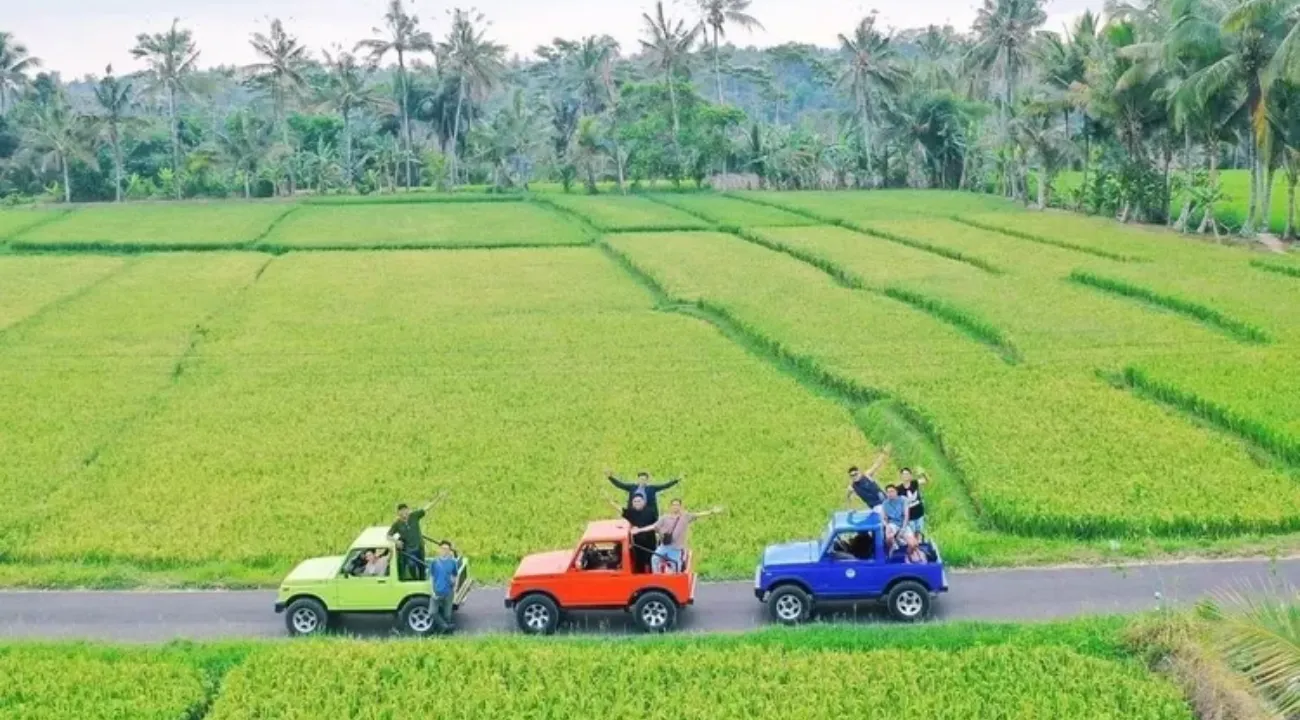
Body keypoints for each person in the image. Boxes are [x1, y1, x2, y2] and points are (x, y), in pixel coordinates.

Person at [633, 499, 723, 574]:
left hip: (676, 548)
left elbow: (698, 514)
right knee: (654, 559)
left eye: (677, 505)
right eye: (673, 505)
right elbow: (653, 526)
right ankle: (657, 578)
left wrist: (711, 512)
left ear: (680, 506)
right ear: (670, 507)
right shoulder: (665, 517)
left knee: (676, 567)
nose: (675, 507)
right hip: (664, 546)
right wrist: (639, 530)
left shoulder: (685, 516)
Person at [389, 490, 448, 581]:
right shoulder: (397, 524)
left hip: (419, 547)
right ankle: (415, 579)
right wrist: (396, 541)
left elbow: (426, 508)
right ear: (398, 513)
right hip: (410, 550)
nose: (404, 513)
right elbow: (388, 535)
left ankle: (422, 581)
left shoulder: (414, 516)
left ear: (408, 510)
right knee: (412, 565)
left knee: (422, 566)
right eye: (402, 511)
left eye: (405, 510)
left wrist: (438, 498)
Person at [609, 492, 657, 573]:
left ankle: (650, 577)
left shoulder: (651, 512)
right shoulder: (631, 512)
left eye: (639, 501)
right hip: (637, 543)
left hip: (649, 542)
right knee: (639, 561)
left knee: (649, 561)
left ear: (644, 502)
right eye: (635, 502)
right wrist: (611, 503)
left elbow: (656, 525)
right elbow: (622, 510)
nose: (637, 503)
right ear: (632, 503)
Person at [606, 469, 681, 521]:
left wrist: (676, 481)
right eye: (640, 479)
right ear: (638, 480)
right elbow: (620, 485)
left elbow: (665, 485)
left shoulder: (652, 488)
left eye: (644, 479)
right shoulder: (632, 487)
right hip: (634, 514)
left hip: (648, 515)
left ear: (647, 480)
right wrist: (610, 478)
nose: (642, 481)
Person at [845, 445, 891, 514]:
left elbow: (876, 465)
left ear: (859, 472)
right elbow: (848, 497)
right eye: (852, 475)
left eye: (855, 474)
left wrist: (883, 454)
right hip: (876, 507)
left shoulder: (867, 475)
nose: (854, 476)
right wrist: (850, 508)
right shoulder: (852, 487)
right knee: (884, 511)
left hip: (885, 500)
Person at [426, 541, 459, 634]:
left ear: (449, 551)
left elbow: (456, 575)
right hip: (436, 591)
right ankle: (446, 627)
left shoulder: (453, 562)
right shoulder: (434, 562)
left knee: (447, 615)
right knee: (432, 612)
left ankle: (445, 633)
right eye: (443, 549)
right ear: (439, 549)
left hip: (448, 592)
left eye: (447, 549)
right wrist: (432, 590)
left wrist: (454, 585)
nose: (445, 551)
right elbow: (431, 577)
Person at [899, 466, 928, 536]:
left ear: (910, 475)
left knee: (919, 533)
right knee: (911, 534)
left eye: (907, 474)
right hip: (909, 517)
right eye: (904, 474)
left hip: (919, 513)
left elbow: (926, 481)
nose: (905, 476)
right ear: (901, 476)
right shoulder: (899, 489)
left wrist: (923, 473)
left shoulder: (914, 483)